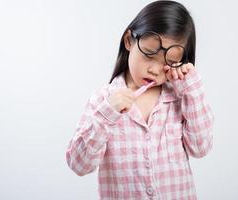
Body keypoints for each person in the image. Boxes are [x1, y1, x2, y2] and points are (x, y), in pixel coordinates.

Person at [66, 1, 214, 199]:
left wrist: (191, 89)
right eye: (149, 55)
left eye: (168, 62)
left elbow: (201, 148)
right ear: (129, 41)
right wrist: (107, 113)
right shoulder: (103, 101)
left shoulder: (180, 98)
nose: (154, 70)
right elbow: (79, 165)